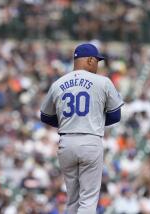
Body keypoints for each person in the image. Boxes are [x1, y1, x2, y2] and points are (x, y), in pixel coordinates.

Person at [40, 43, 124, 214]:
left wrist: (69, 122)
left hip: (66, 143)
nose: (98, 64)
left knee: (72, 200)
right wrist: (93, 120)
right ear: (91, 60)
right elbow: (116, 115)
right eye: (97, 61)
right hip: (90, 141)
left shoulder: (58, 83)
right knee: (88, 201)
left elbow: (45, 116)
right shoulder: (103, 82)